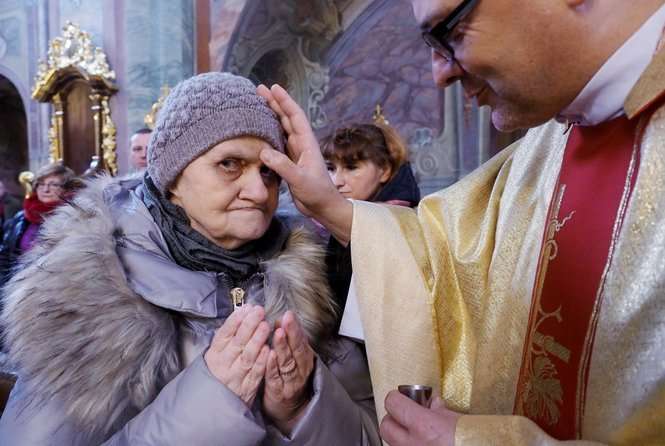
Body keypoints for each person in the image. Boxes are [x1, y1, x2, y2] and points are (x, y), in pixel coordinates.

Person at [255, 0, 665, 444]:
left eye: (449, 32)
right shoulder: (550, 142)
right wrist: (330, 209)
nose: (439, 74)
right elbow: (446, 251)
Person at [0, 72, 379, 445]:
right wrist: (208, 407)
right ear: (173, 178)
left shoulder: (314, 279)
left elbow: (373, 435)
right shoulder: (87, 294)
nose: (258, 190)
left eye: (268, 171)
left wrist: (302, 408)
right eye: (230, 164)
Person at [320, 123, 420, 310]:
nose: (336, 182)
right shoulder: (320, 223)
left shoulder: (404, 224)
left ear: (384, 170)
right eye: (331, 168)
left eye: (351, 167)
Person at [0, 163, 75, 286]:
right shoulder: (21, 217)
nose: (45, 189)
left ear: (67, 189)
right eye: (41, 184)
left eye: (54, 185)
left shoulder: (74, 218)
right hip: (16, 288)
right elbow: (5, 256)